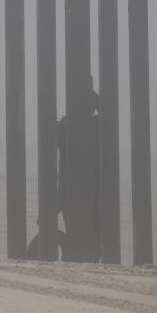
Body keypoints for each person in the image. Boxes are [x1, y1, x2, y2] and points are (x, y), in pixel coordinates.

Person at [57, 86, 102, 262]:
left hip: (82, 189)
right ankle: (85, 260)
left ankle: (84, 259)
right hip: (81, 188)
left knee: (89, 231)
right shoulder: (92, 124)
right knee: (88, 231)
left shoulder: (68, 124)